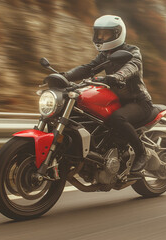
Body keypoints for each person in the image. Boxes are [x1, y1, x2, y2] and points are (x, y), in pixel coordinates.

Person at [63, 15, 152, 172]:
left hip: (138, 102)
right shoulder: (104, 55)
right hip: (116, 100)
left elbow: (132, 66)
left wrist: (116, 77)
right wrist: (64, 76)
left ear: (117, 34)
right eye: (99, 34)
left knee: (118, 118)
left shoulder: (132, 51)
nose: (101, 37)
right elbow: (88, 68)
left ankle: (141, 153)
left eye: (106, 34)